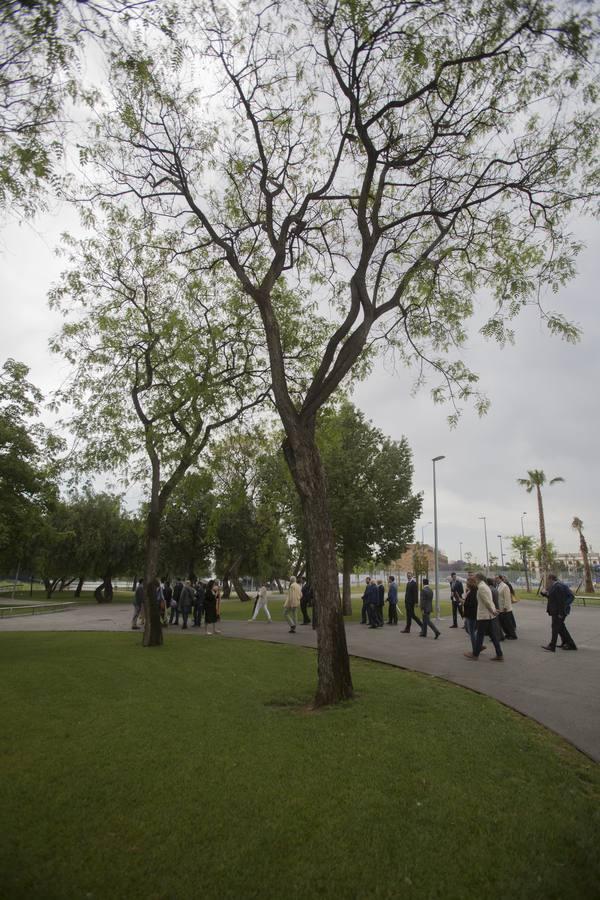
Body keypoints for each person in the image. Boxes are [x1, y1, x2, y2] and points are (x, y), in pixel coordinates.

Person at [464, 573, 503, 661]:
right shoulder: (484, 586)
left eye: (474, 578)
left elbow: (487, 601)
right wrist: (494, 610)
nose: (473, 580)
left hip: (485, 615)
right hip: (488, 615)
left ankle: (475, 654)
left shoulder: (481, 587)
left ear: (478, 578)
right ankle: (499, 654)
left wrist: (493, 610)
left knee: (480, 635)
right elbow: (489, 600)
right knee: (492, 636)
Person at [540, 574, 577, 652]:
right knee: (560, 627)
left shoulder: (558, 586)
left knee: (555, 628)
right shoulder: (555, 586)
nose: (547, 582)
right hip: (557, 610)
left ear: (550, 579)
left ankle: (552, 645)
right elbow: (553, 597)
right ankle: (568, 643)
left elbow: (560, 600)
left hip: (559, 611)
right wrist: (544, 594)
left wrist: (562, 610)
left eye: (547, 579)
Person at [462, 573, 479, 654]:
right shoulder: (471, 591)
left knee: (471, 632)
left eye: (467, 583)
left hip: (471, 615)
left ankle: (475, 650)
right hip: (471, 615)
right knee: (469, 630)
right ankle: (477, 646)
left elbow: (472, 604)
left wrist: (463, 602)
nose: (466, 584)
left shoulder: (473, 592)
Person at [496, 575, 517, 639]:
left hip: (505, 608)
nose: (496, 580)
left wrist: (506, 607)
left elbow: (507, 597)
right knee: (503, 623)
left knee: (508, 624)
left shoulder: (505, 586)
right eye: (495, 579)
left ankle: (513, 635)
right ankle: (508, 634)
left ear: (500, 579)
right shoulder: (498, 586)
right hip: (501, 607)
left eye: (497, 578)